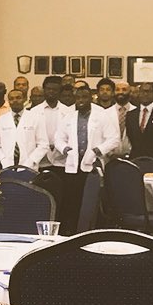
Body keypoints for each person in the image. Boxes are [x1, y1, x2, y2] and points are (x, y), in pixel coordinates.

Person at [55, 83, 120, 233]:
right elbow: (58, 138)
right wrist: (65, 149)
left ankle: (91, 233)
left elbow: (114, 139)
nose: (81, 100)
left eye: (85, 97)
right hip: (73, 165)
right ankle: (71, 234)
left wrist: (98, 150)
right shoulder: (69, 116)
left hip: (92, 165)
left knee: (91, 203)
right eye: (78, 97)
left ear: (91, 98)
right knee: (72, 203)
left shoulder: (101, 115)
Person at [25, 75, 70, 175]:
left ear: (60, 91)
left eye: (55, 89)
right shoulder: (34, 111)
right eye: (48, 89)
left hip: (62, 160)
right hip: (41, 160)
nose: (51, 92)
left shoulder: (68, 111)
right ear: (44, 90)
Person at [0, 88, 38, 169]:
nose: (15, 101)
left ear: (24, 99)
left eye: (18, 98)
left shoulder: (35, 117)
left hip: (29, 165)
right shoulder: (2, 119)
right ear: (8, 101)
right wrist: (2, 160)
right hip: (6, 165)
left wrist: (31, 160)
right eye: (11, 99)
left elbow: (43, 144)